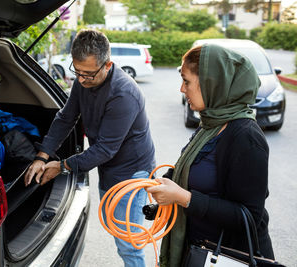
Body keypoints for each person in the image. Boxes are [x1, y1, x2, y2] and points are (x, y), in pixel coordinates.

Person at [24, 29, 156, 267]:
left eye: (89, 74)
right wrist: (42, 157)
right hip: (109, 166)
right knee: (113, 224)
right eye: (78, 72)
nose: (82, 80)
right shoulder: (83, 81)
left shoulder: (123, 94)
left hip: (131, 171)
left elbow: (105, 149)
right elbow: (66, 118)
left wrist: (62, 166)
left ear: (108, 64)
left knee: (128, 242)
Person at [145, 44, 275, 266]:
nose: (181, 89)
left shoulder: (246, 136)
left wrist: (183, 198)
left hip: (227, 257)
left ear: (212, 83)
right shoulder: (210, 124)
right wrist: (166, 192)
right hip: (197, 251)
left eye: (186, 81)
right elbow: (193, 176)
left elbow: (249, 218)